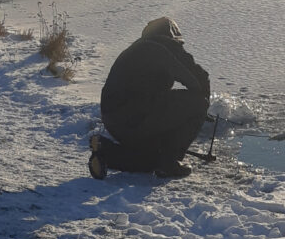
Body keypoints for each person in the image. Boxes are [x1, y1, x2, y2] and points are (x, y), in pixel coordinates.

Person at [88, 17, 210, 179]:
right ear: (172, 37)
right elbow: (198, 79)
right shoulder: (167, 47)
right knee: (199, 103)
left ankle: (106, 153)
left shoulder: (132, 50)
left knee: (151, 161)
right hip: (139, 117)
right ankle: (169, 163)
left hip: (114, 121)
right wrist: (202, 106)